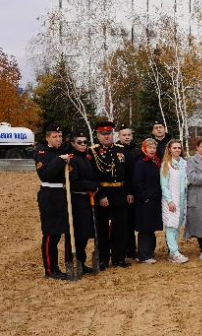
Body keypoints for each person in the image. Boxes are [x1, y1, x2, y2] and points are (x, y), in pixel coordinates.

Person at [90, 120, 132, 270]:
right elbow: (93, 177)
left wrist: (129, 192)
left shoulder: (121, 150)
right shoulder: (93, 152)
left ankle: (119, 258)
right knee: (102, 229)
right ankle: (103, 259)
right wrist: (100, 195)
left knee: (120, 228)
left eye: (109, 134)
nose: (107, 137)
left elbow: (128, 173)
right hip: (103, 194)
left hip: (120, 193)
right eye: (103, 134)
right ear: (98, 135)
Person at [34, 123, 72, 280]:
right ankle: (51, 269)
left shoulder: (63, 150)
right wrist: (60, 160)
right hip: (49, 195)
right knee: (52, 233)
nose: (58, 139)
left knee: (66, 232)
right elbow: (46, 175)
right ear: (48, 138)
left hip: (64, 194)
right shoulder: (41, 152)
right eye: (55, 137)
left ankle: (69, 264)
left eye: (60, 136)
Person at [66, 129, 99, 275]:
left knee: (85, 233)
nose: (83, 144)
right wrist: (92, 185)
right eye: (79, 142)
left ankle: (82, 261)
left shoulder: (86, 158)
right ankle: (75, 263)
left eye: (85, 142)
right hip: (76, 200)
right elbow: (74, 183)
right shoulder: (71, 159)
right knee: (77, 233)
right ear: (73, 143)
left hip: (88, 199)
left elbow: (92, 176)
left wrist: (94, 185)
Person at [133, 138, 163, 264]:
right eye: (149, 147)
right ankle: (143, 255)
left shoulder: (155, 161)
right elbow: (137, 183)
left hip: (155, 200)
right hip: (145, 201)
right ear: (144, 148)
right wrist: (145, 197)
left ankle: (150, 252)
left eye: (154, 148)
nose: (152, 150)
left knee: (151, 227)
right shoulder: (141, 163)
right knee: (145, 227)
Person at [160, 139, 188, 263]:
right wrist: (170, 200)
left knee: (177, 225)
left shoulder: (184, 163)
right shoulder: (166, 164)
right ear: (169, 150)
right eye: (174, 148)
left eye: (179, 148)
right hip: (171, 199)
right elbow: (164, 185)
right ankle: (174, 251)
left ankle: (173, 252)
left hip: (182, 198)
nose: (177, 150)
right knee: (171, 225)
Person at [117, 123, 140, 260]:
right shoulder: (116, 151)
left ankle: (131, 249)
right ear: (119, 136)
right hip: (119, 192)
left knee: (131, 222)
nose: (127, 137)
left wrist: (131, 192)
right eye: (124, 135)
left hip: (133, 192)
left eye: (129, 135)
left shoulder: (136, 151)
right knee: (121, 223)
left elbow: (134, 174)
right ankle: (121, 250)